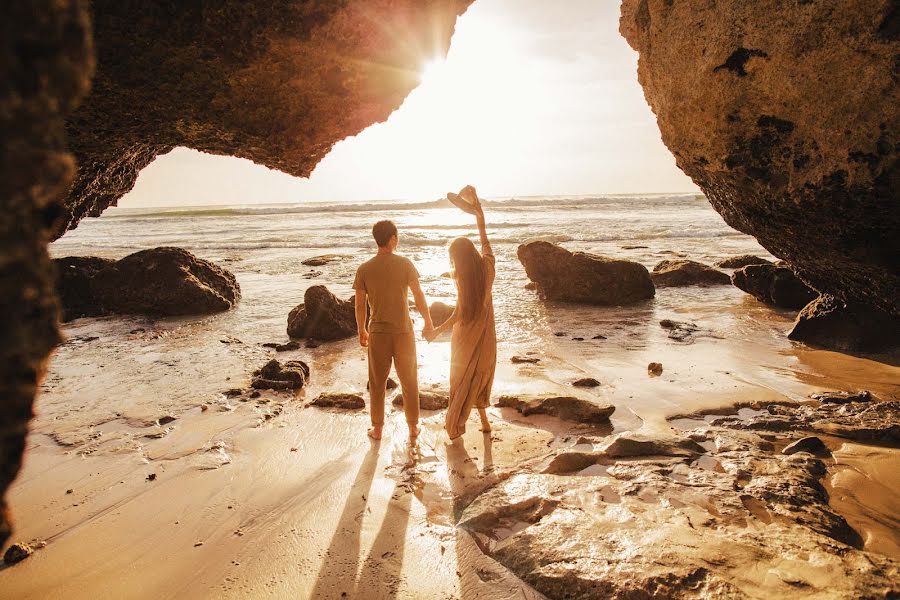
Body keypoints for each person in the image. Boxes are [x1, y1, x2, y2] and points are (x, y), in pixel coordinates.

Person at [425, 188, 496, 439]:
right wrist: (479, 215)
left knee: (461, 380)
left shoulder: (463, 279)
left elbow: (457, 314)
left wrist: (436, 330)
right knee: (481, 375)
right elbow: (485, 241)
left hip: (464, 337)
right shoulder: (488, 267)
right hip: (486, 335)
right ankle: (485, 421)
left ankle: (455, 425)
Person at [353, 220, 434, 441]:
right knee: (409, 380)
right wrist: (428, 321)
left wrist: (361, 329)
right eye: (396, 236)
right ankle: (413, 427)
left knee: (377, 382)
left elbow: (360, 305)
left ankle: (378, 429)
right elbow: (418, 295)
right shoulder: (405, 264)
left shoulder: (364, 269)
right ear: (392, 239)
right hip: (403, 332)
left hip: (378, 333)